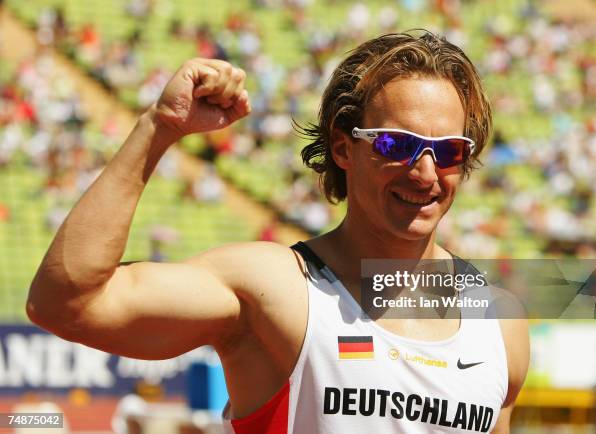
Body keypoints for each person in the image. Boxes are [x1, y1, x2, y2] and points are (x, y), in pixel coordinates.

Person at [27, 31, 529, 433]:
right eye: (396, 143)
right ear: (342, 148)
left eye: (449, 151)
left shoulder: (500, 322)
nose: (424, 171)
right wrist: (159, 127)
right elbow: (66, 301)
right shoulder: (274, 289)